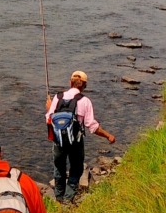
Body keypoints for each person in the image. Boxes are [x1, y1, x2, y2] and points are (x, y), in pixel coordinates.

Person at [44, 70, 116, 201]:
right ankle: (67, 200)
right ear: (84, 85)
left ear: (70, 83)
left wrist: (49, 109)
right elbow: (92, 127)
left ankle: (59, 198)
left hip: (58, 141)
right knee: (76, 170)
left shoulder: (57, 97)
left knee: (59, 169)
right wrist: (108, 135)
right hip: (75, 142)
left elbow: (49, 120)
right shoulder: (85, 101)